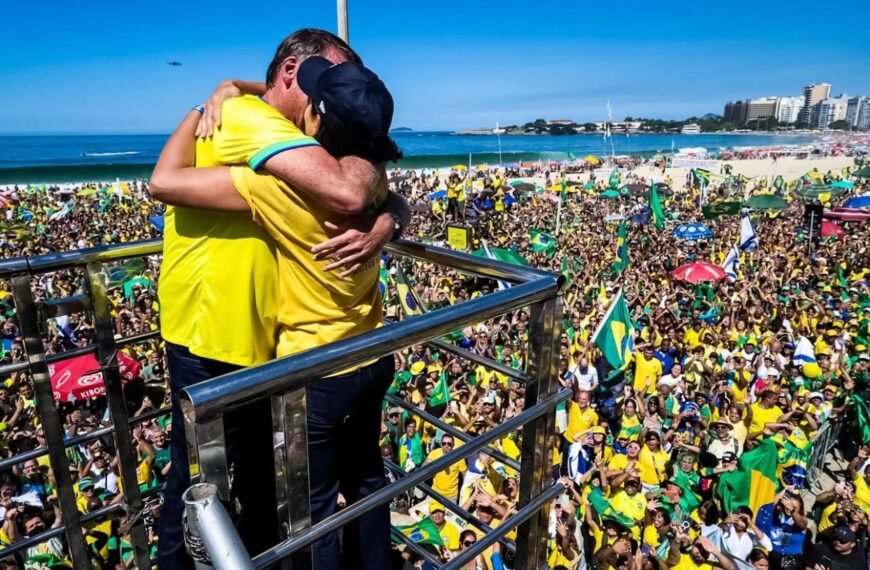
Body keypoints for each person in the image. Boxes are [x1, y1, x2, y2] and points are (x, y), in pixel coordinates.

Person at [150, 29, 409, 567]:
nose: (330, 90)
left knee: (266, 487)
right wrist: (214, 98)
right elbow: (354, 190)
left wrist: (386, 221)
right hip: (211, 337)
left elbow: (362, 189)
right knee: (198, 485)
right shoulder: (254, 125)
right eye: (327, 77)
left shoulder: (291, 151)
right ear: (294, 73)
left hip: (274, 346)